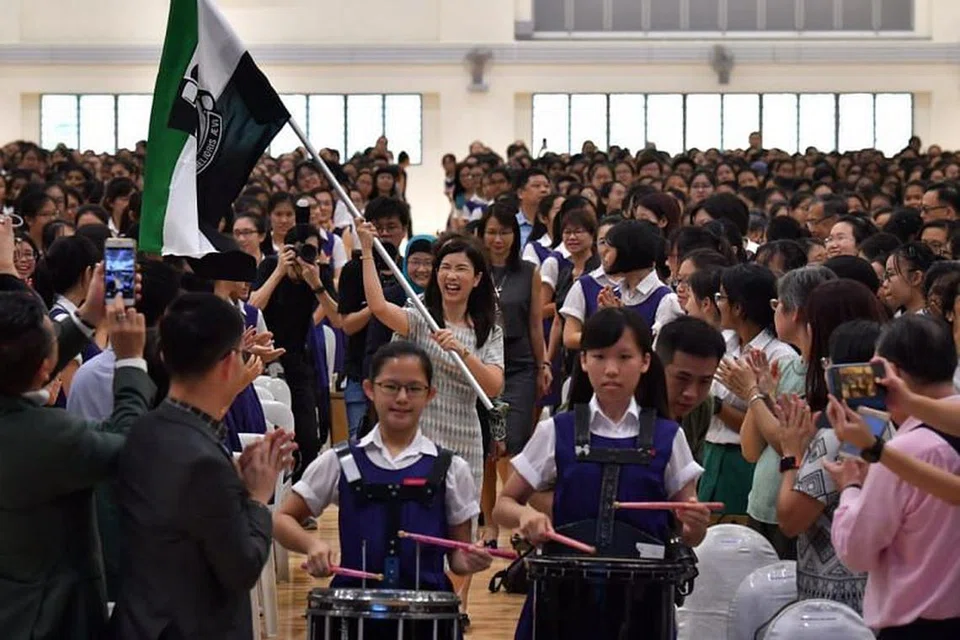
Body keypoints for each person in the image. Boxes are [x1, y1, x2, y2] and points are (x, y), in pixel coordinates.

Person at [493, 308, 708, 640]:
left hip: (643, 601)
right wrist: (525, 516)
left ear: (645, 362)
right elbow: (503, 505)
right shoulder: (556, 429)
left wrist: (695, 523)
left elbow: (690, 533)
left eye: (624, 357)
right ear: (583, 361)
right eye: (599, 356)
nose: (611, 369)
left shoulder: (669, 436)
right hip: (562, 597)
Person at [273, 341, 493, 637]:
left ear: (430, 394)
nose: (402, 397)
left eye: (414, 388)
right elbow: (281, 519)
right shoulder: (340, 461)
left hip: (427, 620)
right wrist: (311, 545)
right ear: (369, 389)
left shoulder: (452, 468)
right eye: (390, 386)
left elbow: (457, 557)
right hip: (353, 616)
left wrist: (472, 559)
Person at [110, 293, 297, 640]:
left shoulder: (141, 429)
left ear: (164, 356)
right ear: (229, 363)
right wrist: (258, 498)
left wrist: (236, 485)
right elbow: (242, 567)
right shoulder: (205, 462)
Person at [0, 287, 154, 640]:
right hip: (46, 620)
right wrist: (130, 361)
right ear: (45, 367)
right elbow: (128, 446)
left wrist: (87, 317)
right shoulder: (49, 435)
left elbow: (22, 365)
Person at [826, 315, 960, 638]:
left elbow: (857, 549)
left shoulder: (906, 449)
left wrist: (851, 487)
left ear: (892, 373)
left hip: (917, 627)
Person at [700, 264, 796, 519]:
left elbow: (771, 429)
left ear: (739, 308)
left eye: (722, 297)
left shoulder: (778, 355)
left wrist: (722, 403)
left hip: (747, 461)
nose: (718, 303)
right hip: (711, 454)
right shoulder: (723, 343)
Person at [477, 204, 547, 545]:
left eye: (505, 232)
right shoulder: (474, 270)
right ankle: (489, 524)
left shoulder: (529, 271)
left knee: (513, 443)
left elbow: (535, 324)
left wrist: (543, 364)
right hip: (482, 364)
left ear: (515, 236)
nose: (498, 239)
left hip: (519, 365)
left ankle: (517, 516)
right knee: (488, 448)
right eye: (491, 232)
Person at [251, 224, 338, 479]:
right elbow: (253, 307)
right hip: (266, 358)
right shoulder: (270, 266)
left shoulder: (319, 273)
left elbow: (338, 319)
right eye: (300, 250)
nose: (304, 257)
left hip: (300, 359)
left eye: (311, 251)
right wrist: (279, 271)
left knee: (308, 438)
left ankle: (302, 489)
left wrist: (316, 284)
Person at [338, 197, 412, 437]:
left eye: (392, 227)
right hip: (361, 373)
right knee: (359, 442)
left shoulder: (410, 269)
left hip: (404, 376)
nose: (385, 234)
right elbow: (348, 325)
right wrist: (378, 304)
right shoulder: (353, 269)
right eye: (378, 227)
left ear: (404, 230)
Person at [655, 315, 727, 462]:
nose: (691, 394)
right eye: (682, 378)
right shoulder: (626, 408)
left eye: (705, 381)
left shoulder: (703, 407)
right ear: (656, 368)